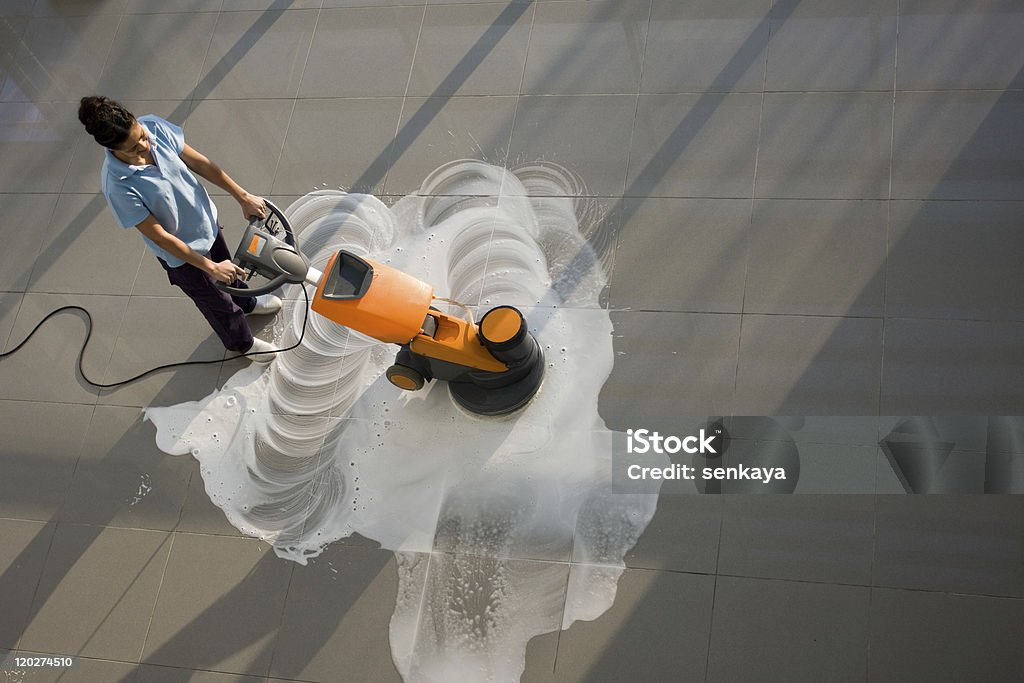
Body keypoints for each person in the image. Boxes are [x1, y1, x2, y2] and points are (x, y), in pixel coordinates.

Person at [78, 95, 280, 362]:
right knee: (216, 301)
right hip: (183, 256)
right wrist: (209, 267)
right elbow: (160, 237)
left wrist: (242, 196)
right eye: (134, 147)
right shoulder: (117, 184)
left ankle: (246, 302)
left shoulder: (154, 127)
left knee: (228, 267)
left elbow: (200, 163)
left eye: (141, 135)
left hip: (205, 222)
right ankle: (241, 343)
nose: (144, 145)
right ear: (112, 149)